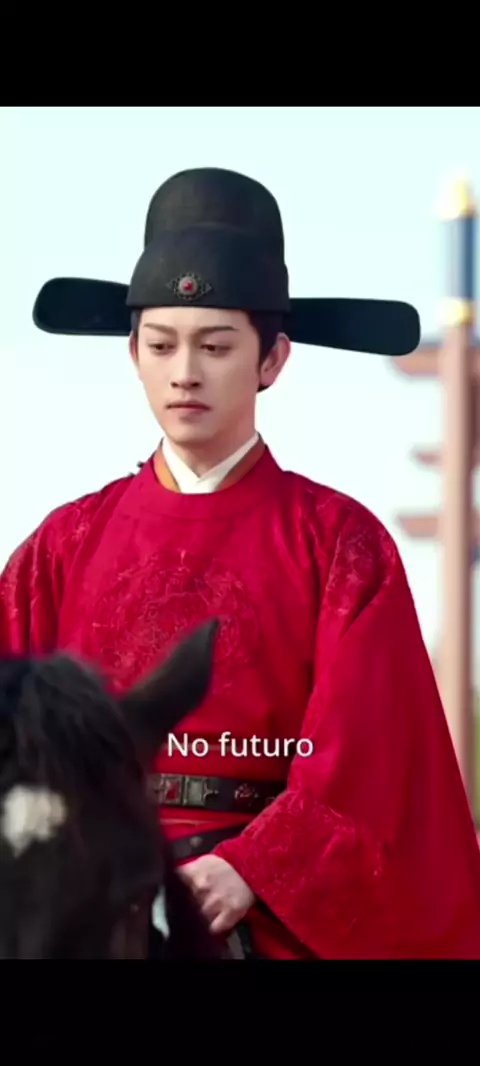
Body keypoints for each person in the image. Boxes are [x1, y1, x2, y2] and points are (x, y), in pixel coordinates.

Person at [2, 166, 480, 959]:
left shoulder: (339, 543)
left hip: (263, 907)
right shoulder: (61, 546)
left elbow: (370, 760)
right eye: (162, 345)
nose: (185, 371)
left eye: (216, 346)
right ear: (133, 354)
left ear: (272, 360)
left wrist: (253, 867)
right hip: (83, 888)